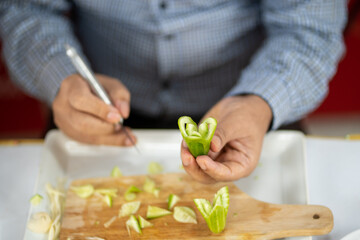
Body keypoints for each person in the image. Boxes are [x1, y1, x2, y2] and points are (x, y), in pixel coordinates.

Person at [0, 1, 347, 183]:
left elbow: (310, 32)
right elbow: (25, 10)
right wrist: (60, 77)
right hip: (96, 113)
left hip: (256, 114)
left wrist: (258, 102)